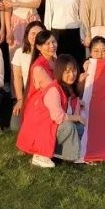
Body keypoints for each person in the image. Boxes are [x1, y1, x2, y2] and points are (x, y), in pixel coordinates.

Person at [17, 37, 83, 168]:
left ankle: (62, 153)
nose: (72, 75)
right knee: (69, 127)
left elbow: (72, 107)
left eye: (74, 70)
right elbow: (58, 117)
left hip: (51, 125)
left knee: (82, 129)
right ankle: (41, 154)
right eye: (67, 72)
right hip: (43, 129)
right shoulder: (53, 89)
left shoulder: (68, 86)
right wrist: (77, 117)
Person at [10, 21, 44, 131]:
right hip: (27, 95)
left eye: (39, 34)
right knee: (15, 126)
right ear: (27, 35)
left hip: (44, 95)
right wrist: (20, 99)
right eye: (33, 33)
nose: (36, 36)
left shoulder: (49, 52)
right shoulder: (19, 53)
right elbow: (17, 78)